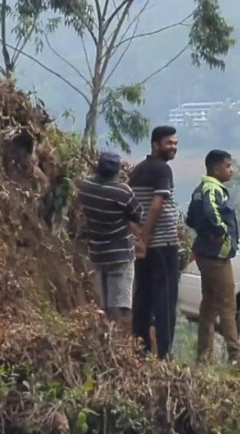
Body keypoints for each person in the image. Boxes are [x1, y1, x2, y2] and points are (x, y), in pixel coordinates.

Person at [74, 151, 145, 328]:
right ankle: (114, 340)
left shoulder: (85, 187)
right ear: (117, 171)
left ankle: (105, 332)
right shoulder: (122, 191)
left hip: (97, 251)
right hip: (120, 253)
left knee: (103, 301)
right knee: (118, 302)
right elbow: (138, 214)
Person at [187, 150, 240, 366]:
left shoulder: (199, 190)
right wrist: (221, 234)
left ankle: (203, 356)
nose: (231, 170)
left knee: (209, 305)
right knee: (228, 303)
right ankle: (236, 355)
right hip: (216, 256)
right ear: (216, 168)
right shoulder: (212, 189)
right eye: (228, 166)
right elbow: (212, 214)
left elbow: (191, 218)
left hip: (205, 253)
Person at [128, 125, 180, 359]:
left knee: (143, 297)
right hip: (162, 246)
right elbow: (157, 205)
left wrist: (139, 236)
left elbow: (129, 210)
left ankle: (141, 349)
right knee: (165, 300)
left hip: (144, 247)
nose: (173, 148)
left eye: (175, 144)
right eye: (169, 143)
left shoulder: (137, 170)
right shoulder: (162, 171)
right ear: (155, 145)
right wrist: (146, 236)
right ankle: (164, 355)